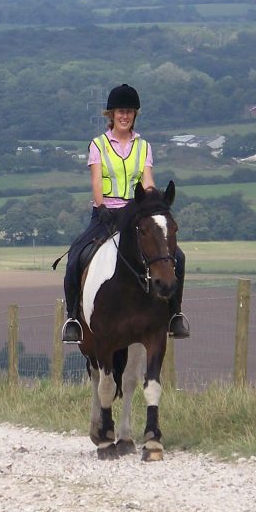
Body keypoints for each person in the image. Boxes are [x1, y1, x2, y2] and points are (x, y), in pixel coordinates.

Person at [61, 83, 189, 344]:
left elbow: (148, 181)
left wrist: (155, 204)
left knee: (178, 257)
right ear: (111, 115)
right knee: (76, 255)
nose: (124, 116)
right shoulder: (98, 145)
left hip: (136, 215)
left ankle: (175, 314)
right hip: (106, 214)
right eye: (120, 111)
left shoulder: (144, 147)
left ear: (134, 115)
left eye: (129, 111)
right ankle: (73, 317)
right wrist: (102, 207)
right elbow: (97, 180)